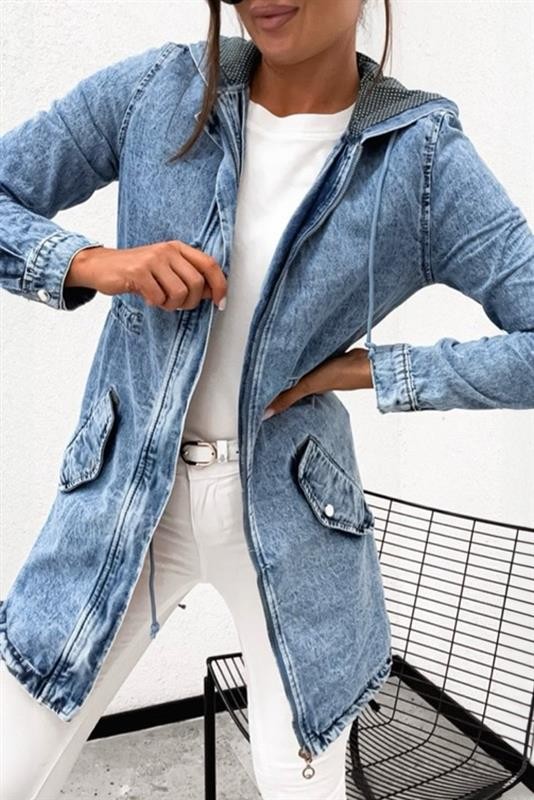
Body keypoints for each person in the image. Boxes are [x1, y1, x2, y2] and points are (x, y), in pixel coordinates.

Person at [1, 1, 533, 799]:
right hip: (123, 500)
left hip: (297, 521)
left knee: (299, 785)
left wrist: (375, 371)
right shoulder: (158, 90)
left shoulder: (419, 158)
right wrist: (97, 263)